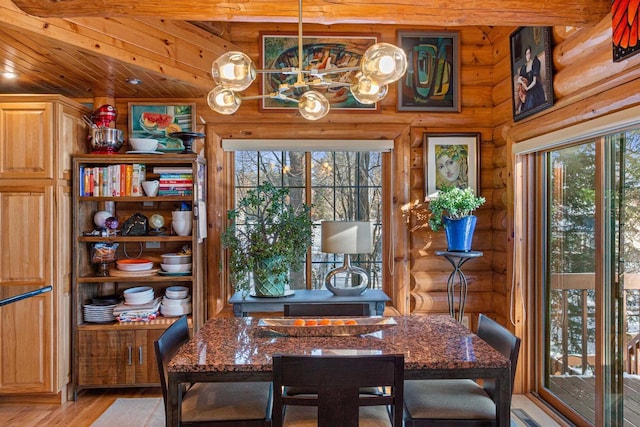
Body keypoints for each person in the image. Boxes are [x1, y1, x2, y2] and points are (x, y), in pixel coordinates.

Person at [516, 45, 546, 113]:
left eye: (529, 53)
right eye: (526, 54)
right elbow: (519, 79)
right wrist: (523, 83)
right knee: (524, 106)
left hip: (535, 87)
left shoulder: (535, 62)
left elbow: (534, 81)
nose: (528, 56)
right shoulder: (524, 67)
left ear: (531, 54)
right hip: (527, 88)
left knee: (531, 99)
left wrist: (527, 88)